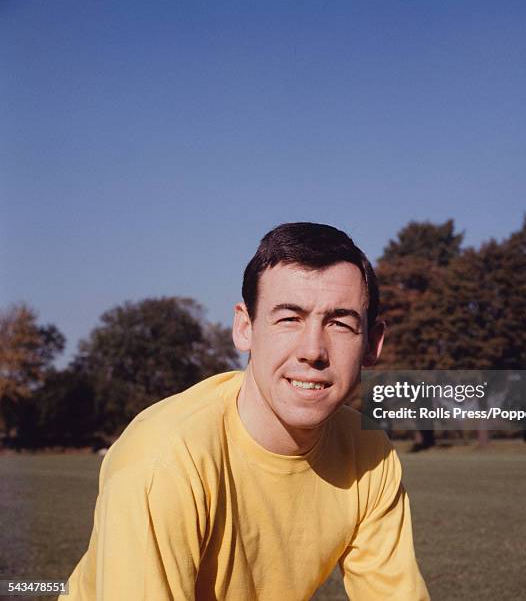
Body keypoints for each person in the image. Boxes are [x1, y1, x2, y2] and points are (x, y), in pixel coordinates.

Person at [64, 222, 429, 600]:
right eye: (289, 318)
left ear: (372, 343)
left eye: (339, 323)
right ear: (245, 328)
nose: (313, 351)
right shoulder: (166, 460)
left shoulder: (368, 452)